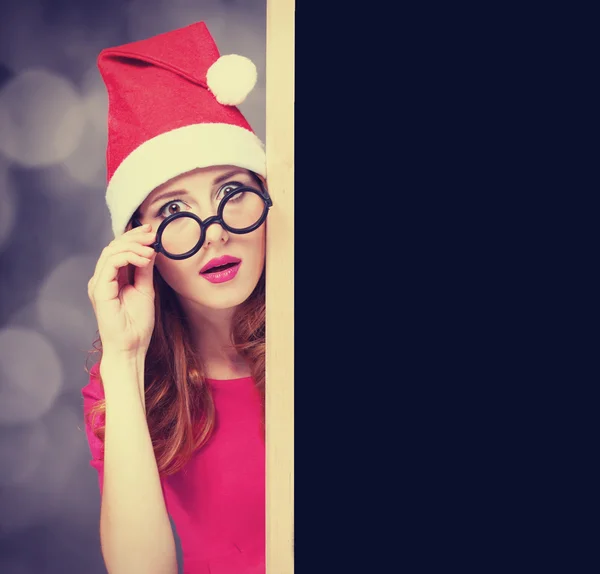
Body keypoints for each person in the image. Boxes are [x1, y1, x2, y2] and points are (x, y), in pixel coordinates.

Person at [82, 21, 269, 574]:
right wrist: (124, 358)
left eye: (233, 193)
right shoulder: (128, 383)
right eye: (172, 212)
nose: (214, 231)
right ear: (143, 245)